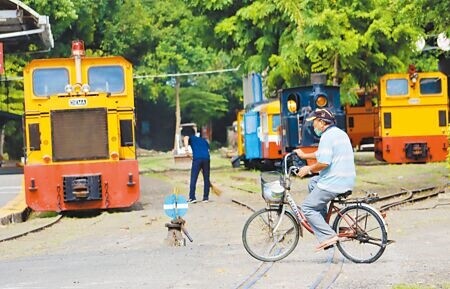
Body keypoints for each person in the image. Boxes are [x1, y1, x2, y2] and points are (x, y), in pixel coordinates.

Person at [294, 108, 356, 251]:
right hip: (346, 179)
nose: (313, 126)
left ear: (322, 122)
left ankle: (328, 236)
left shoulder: (327, 137)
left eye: (314, 122)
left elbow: (324, 163)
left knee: (307, 208)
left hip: (334, 182)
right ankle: (323, 223)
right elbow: (323, 153)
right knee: (313, 183)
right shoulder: (339, 133)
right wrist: (304, 156)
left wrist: (307, 169)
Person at [183, 133, 211, 203]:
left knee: (193, 178)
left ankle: (192, 197)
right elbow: (208, 151)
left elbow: (186, 137)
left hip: (197, 159)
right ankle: (205, 198)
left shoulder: (192, 138)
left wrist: (186, 150)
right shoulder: (204, 141)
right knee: (206, 178)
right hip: (206, 159)